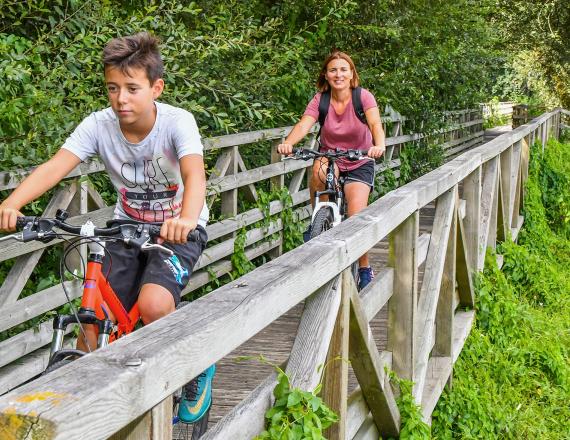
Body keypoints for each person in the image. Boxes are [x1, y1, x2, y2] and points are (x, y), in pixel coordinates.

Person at [0, 32, 213, 424]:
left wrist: (185, 217)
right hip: (124, 228)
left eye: (132, 88)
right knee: (91, 315)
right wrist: (13, 203)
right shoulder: (98, 125)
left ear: (156, 88)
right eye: (113, 88)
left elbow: (194, 174)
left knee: (153, 305)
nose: (121, 99)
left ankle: (195, 367)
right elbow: (55, 166)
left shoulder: (177, 122)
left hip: (178, 229)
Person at [278, 50, 386, 291]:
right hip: (332, 155)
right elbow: (305, 123)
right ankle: (319, 217)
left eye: (343, 69)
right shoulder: (321, 99)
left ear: (351, 74)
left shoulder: (363, 97)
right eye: (333, 70)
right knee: (318, 167)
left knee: (357, 215)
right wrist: (289, 143)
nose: (338, 74)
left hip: (360, 158)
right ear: (326, 75)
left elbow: (375, 123)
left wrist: (378, 146)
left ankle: (365, 267)